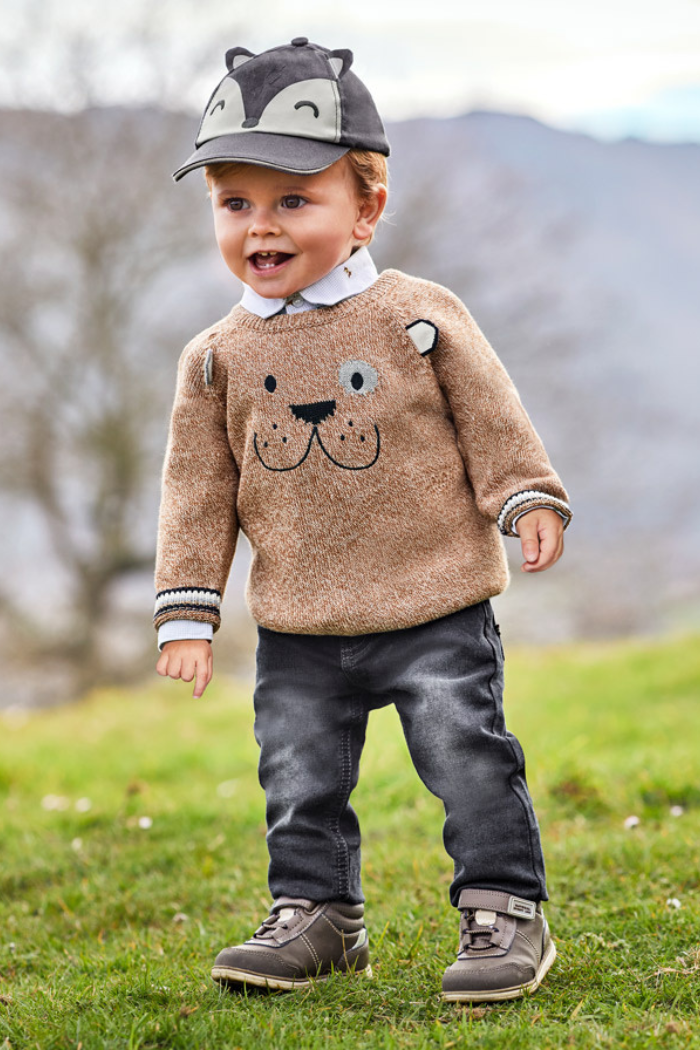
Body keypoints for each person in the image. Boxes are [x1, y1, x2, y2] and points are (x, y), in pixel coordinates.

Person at [154, 38, 571, 1002]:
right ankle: (318, 916)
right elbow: (197, 491)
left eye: (293, 200)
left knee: (467, 758)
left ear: (366, 208)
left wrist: (525, 495)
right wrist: (188, 608)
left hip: (434, 604)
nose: (260, 226)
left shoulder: (416, 316)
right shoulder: (213, 359)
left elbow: (492, 417)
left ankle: (506, 907)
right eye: (235, 203)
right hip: (299, 622)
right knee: (298, 782)